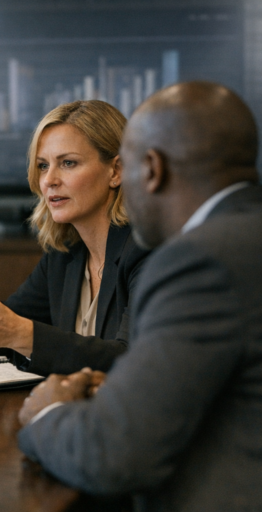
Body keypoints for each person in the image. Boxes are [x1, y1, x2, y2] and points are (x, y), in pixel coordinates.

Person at [18, 81, 262, 511]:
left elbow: (115, 454)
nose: (49, 181)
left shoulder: (200, 260)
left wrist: (47, 412)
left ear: (150, 169)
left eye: (125, 167)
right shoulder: (243, 238)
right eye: (42, 166)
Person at [0, 100, 149, 375]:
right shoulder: (65, 254)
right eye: (43, 166)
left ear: (116, 171)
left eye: (68, 163)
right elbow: (7, 330)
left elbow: (133, 359)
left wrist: (21, 334)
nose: (49, 180)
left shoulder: (146, 249)